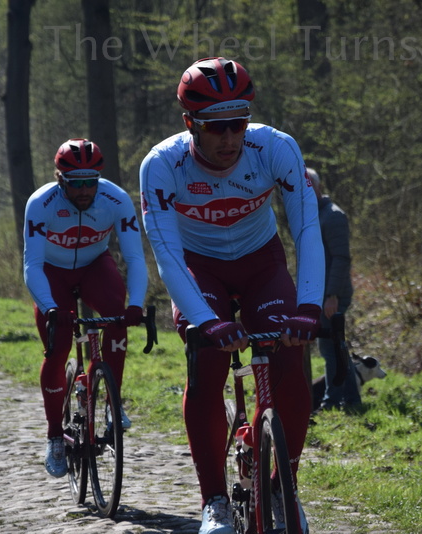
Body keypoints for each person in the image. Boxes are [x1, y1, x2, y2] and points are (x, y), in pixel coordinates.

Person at [140, 57, 324, 534]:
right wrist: (205, 320)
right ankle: (215, 501)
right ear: (189, 124)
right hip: (198, 267)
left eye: (237, 124)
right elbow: (165, 251)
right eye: (214, 127)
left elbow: (306, 228)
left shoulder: (275, 147)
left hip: (261, 261)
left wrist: (309, 306)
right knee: (207, 360)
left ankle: (285, 488)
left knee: (291, 356)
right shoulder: (163, 164)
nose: (229, 138)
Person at [23, 138, 148, 479]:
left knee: (117, 313)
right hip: (52, 271)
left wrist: (136, 304)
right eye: (75, 182)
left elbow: (135, 257)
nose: (83, 190)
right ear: (59, 179)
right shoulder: (41, 203)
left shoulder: (116, 199)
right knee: (59, 347)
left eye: (89, 182)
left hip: (94, 265)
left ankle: (112, 400)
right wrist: (49, 307)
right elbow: (32, 264)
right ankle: (54, 436)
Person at [307, 167, 359, 412]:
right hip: (320, 293)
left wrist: (332, 296)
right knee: (336, 346)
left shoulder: (333, 216)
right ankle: (350, 399)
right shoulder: (312, 215)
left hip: (332, 294)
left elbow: (341, 258)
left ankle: (331, 401)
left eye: (308, 185)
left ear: (317, 186)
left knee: (330, 348)